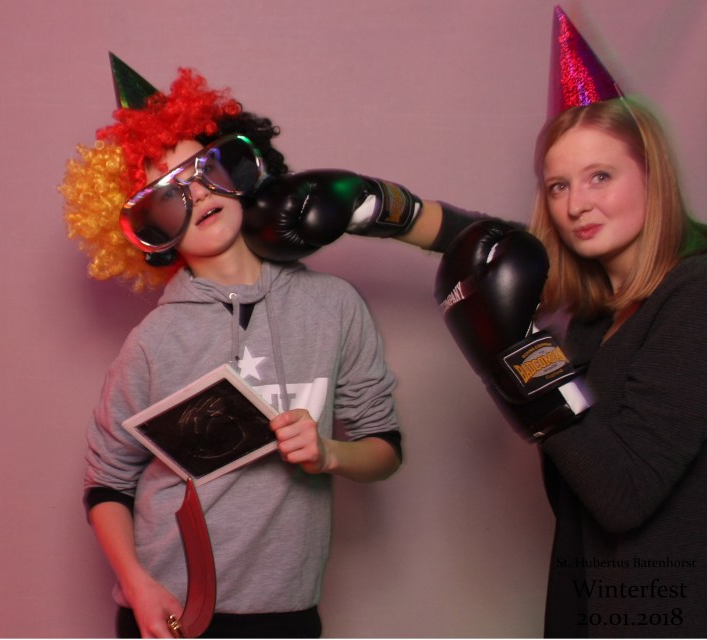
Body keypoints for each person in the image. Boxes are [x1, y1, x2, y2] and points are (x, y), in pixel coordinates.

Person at [243, 7, 707, 637]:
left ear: (654, 176)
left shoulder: (695, 292)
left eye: (601, 176)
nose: (577, 205)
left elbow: (624, 493)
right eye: (558, 186)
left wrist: (519, 354)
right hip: (597, 590)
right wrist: (369, 204)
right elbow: (482, 242)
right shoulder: (601, 298)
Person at [59, 54, 404, 638]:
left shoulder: (334, 307)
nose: (196, 194)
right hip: (172, 610)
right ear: (151, 230)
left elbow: (384, 447)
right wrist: (139, 588)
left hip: (288, 612)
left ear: (243, 169)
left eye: (205, 169)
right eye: (168, 195)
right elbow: (107, 482)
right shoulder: (153, 342)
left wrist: (329, 453)